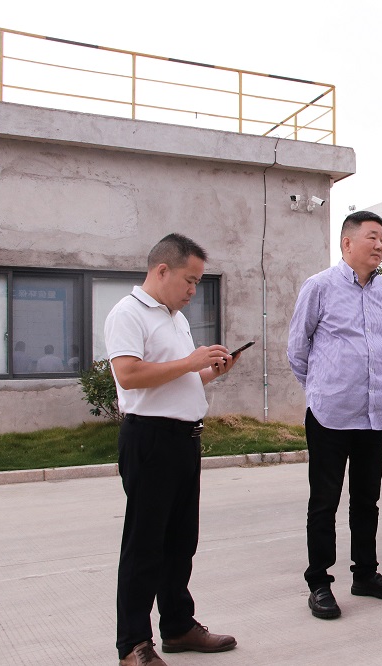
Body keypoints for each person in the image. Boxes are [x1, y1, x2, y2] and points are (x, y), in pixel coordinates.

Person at [105, 233, 240, 666]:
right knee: (145, 545)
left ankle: (178, 626)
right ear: (162, 270)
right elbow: (128, 375)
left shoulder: (175, 319)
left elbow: (179, 377)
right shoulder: (128, 313)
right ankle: (133, 645)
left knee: (181, 542)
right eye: (190, 280)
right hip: (151, 439)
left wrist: (211, 371)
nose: (194, 290)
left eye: (198, 282)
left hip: (185, 439)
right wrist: (190, 361)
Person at [287, 211, 382, 621]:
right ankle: (319, 582)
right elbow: (297, 348)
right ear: (347, 243)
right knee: (324, 502)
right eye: (372, 237)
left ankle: (366, 574)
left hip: (373, 413)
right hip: (330, 413)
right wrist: (321, 388)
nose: (380, 245)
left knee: (367, 500)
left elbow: (379, 342)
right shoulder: (319, 286)